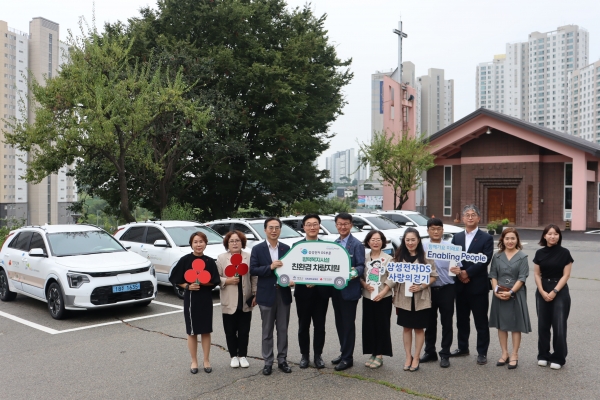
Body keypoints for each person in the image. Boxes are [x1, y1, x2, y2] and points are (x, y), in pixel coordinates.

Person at [169, 232, 220, 374]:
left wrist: (203, 282)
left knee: (206, 330)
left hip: (205, 298)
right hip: (191, 299)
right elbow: (175, 279)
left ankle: (206, 360)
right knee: (192, 332)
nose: (199, 245)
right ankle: (194, 361)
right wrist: (187, 286)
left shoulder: (210, 261)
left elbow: (214, 280)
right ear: (191, 244)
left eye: (201, 241)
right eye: (196, 242)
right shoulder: (185, 260)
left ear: (205, 243)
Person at [449, 204, 494, 365]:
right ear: (462, 218)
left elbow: (486, 259)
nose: (470, 217)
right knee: (461, 319)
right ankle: (463, 348)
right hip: (460, 286)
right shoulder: (457, 237)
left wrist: (467, 273)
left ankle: (482, 352)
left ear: (478, 218)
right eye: (467, 214)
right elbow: (453, 257)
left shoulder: (486, 238)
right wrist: (460, 273)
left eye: (473, 214)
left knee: (480, 321)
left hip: (478, 286)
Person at [250, 217, 293, 376]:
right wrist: (270, 267)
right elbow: (253, 269)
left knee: (283, 329)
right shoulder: (258, 249)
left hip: (283, 294)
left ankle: (282, 360)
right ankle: (268, 362)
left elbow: (292, 269)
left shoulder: (287, 248)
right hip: (266, 294)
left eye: (277, 227)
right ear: (265, 230)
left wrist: (293, 280)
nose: (274, 230)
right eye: (271, 228)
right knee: (267, 330)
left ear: (280, 230)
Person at [392, 227, 438, 372]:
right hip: (403, 298)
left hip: (420, 298)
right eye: (407, 240)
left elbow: (434, 276)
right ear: (404, 241)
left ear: (418, 240)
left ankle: (417, 357)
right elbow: (393, 276)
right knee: (406, 328)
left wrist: (421, 286)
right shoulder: (398, 257)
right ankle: (408, 356)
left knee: (419, 328)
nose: (410, 242)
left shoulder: (426, 257)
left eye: (413, 240)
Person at [489, 228, 531, 370]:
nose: (510, 241)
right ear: (502, 240)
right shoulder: (497, 256)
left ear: (517, 240)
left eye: (513, 238)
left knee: (515, 324)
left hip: (516, 293)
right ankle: (504, 353)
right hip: (499, 293)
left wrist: (511, 292)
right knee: (501, 324)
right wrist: (495, 291)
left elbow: (522, 277)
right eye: (507, 238)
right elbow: (493, 275)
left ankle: (514, 354)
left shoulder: (522, 257)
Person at [533, 224, 573, 370]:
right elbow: (537, 274)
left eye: (555, 234)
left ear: (559, 236)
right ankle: (543, 355)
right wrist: (542, 291)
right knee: (543, 324)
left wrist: (554, 291)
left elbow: (566, 275)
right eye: (549, 234)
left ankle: (558, 357)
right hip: (542, 288)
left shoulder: (565, 253)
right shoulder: (539, 253)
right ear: (544, 236)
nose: (552, 236)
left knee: (559, 325)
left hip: (560, 290)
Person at [216, 231, 257, 369]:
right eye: (232, 241)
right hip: (229, 300)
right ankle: (233, 356)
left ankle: (243, 355)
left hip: (245, 299)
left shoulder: (248, 257)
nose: (235, 243)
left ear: (242, 243)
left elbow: (254, 277)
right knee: (230, 330)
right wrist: (227, 281)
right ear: (227, 243)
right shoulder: (222, 258)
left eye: (237, 241)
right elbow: (216, 277)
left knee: (244, 330)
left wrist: (255, 294)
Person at [294, 214, 331, 369]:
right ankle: (304, 355)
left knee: (320, 326)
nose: (312, 227)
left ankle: (318, 355)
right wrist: (303, 280)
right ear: (304, 227)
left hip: (321, 293)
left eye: (315, 224)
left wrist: (316, 280)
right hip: (302, 293)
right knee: (303, 326)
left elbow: (330, 269)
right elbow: (293, 268)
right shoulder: (297, 246)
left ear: (319, 226)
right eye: (308, 224)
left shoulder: (327, 247)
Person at [331, 212, 366, 371]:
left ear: (351, 225)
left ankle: (348, 358)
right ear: (336, 225)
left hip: (349, 290)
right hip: (336, 290)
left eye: (346, 224)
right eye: (339, 224)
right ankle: (343, 352)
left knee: (348, 324)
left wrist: (353, 272)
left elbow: (361, 266)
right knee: (339, 323)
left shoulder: (357, 244)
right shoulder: (334, 243)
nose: (342, 227)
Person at [419, 218, 455, 368]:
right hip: (428, 289)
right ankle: (430, 351)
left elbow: (456, 266)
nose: (435, 231)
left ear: (442, 230)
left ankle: (445, 353)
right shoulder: (422, 246)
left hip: (447, 288)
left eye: (438, 229)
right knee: (429, 322)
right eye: (432, 229)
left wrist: (457, 270)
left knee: (446, 322)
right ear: (428, 231)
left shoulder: (450, 247)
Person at [360, 230, 394, 369]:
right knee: (369, 325)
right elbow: (360, 275)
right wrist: (364, 285)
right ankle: (372, 352)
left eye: (378, 239)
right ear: (368, 242)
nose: (375, 242)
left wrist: (384, 291)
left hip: (383, 297)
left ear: (383, 242)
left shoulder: (388, 258)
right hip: (368, 296)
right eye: (372, 240)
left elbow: (392, 277)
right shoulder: (364, 258)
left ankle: (379, 354)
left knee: (382, 325)